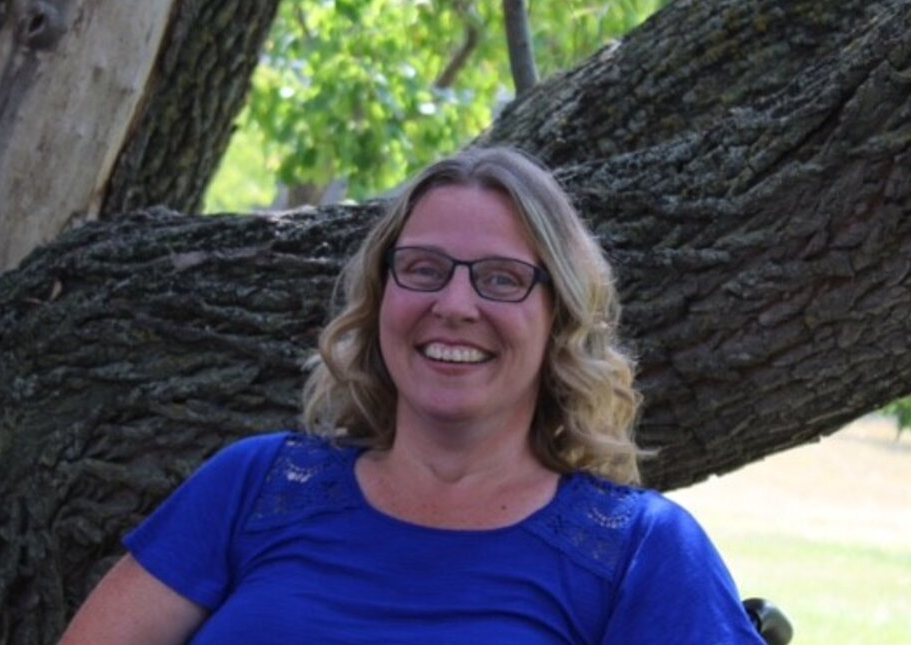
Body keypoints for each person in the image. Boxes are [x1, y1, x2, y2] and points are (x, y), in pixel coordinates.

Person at [59, 147, 764, 644]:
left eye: (499, 278)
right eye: (423, 268)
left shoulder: (640, 551)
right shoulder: (255, 486)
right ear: (380, 299)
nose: (454, 304)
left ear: (559, 319)